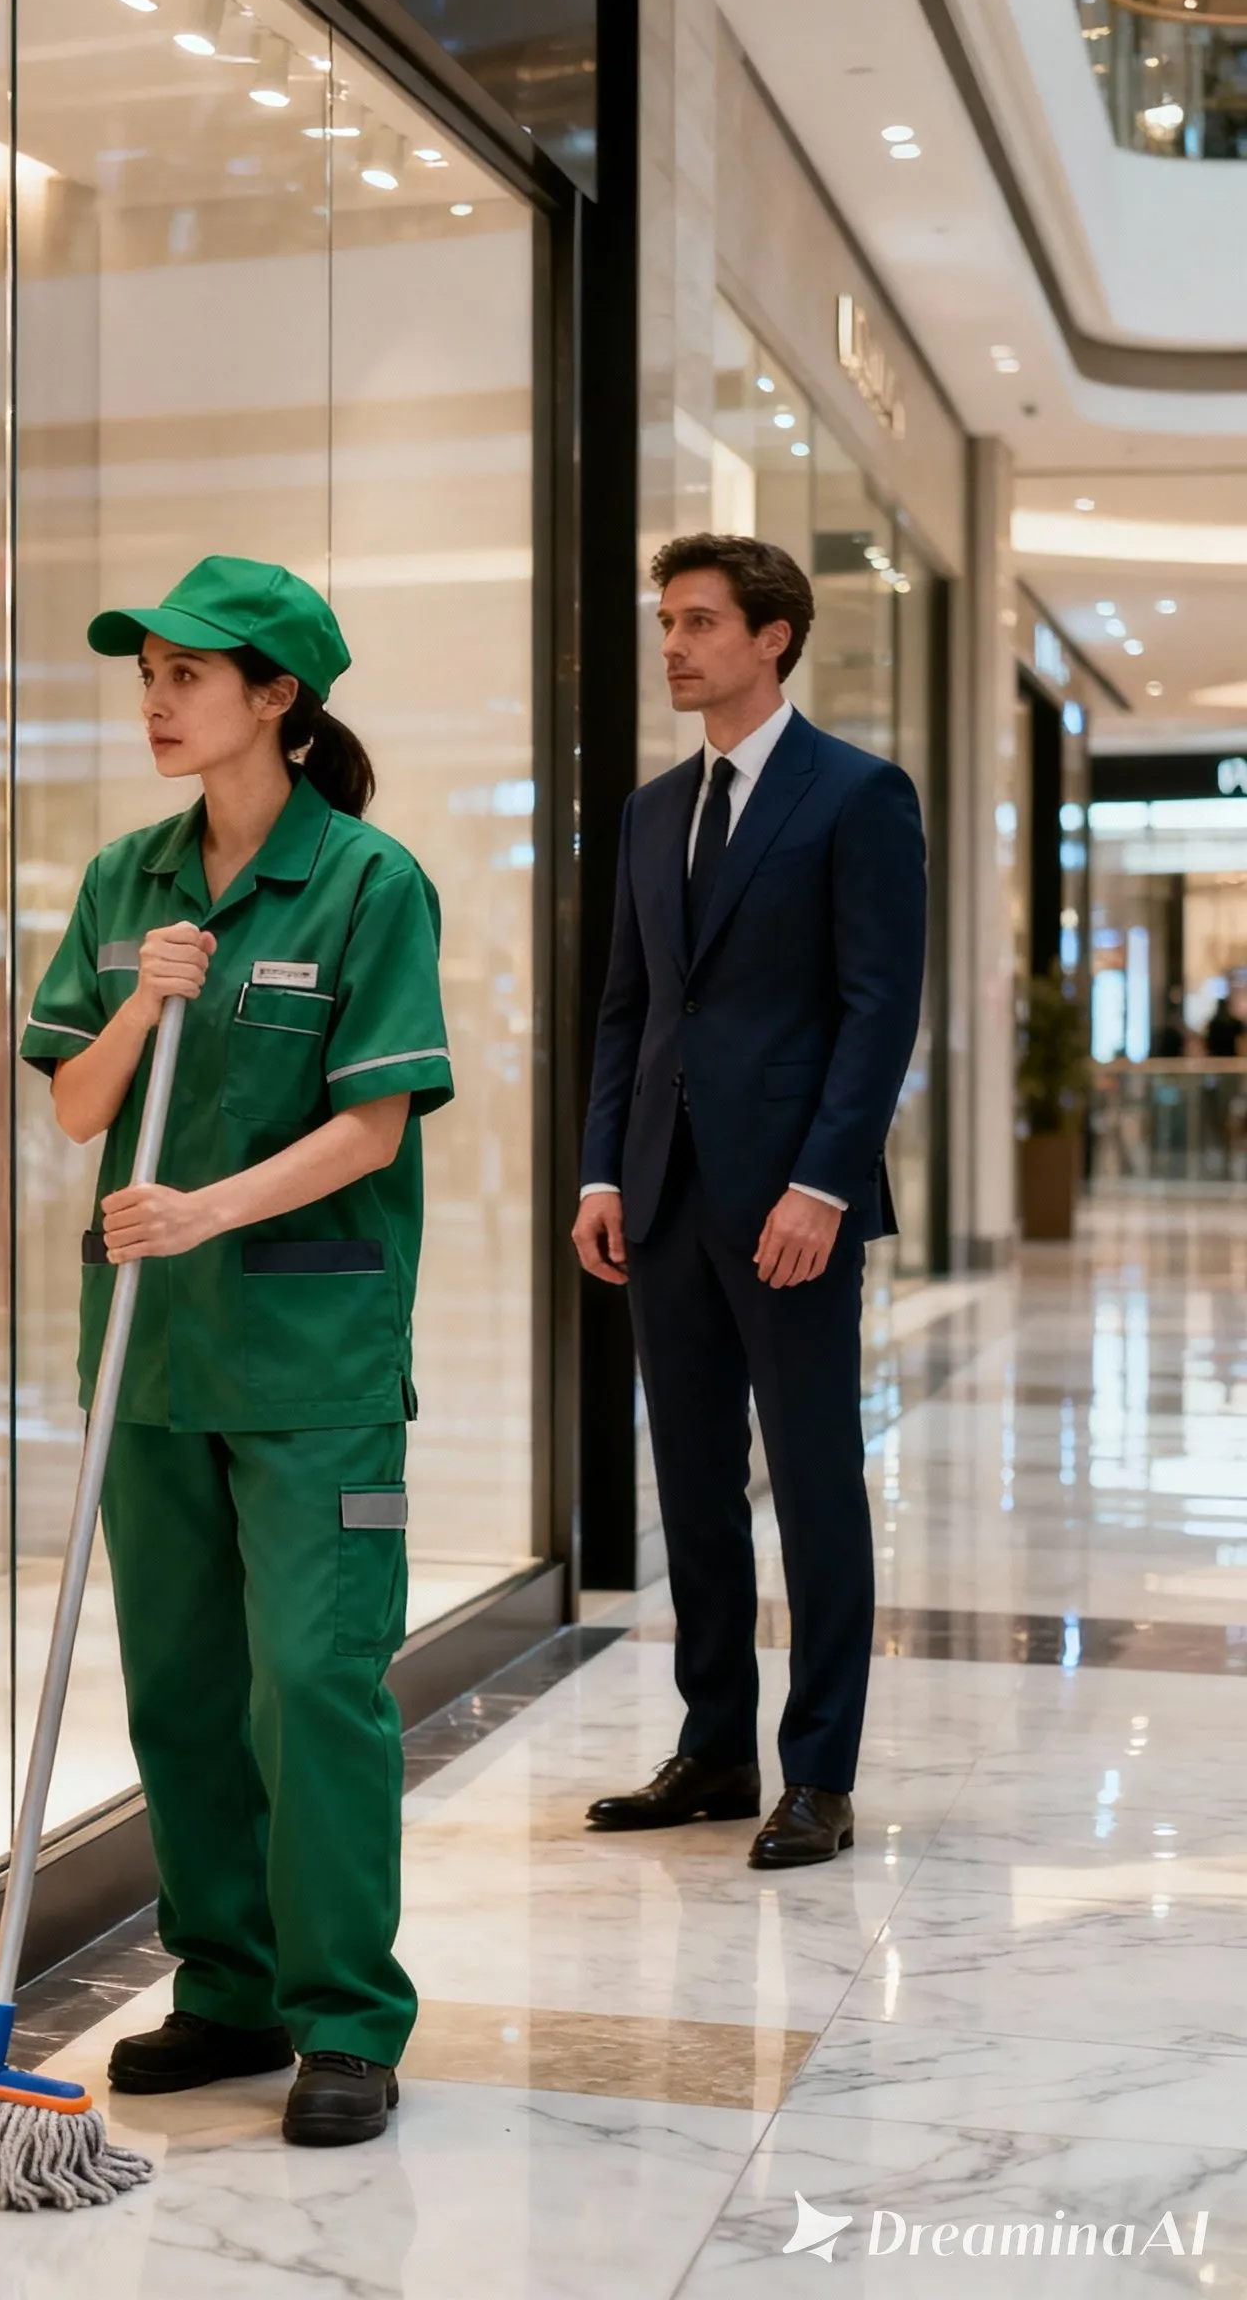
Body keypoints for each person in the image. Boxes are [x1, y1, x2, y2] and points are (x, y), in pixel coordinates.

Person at [20, 556, 452, 2145]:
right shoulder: (125, 880)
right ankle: (227, 1989)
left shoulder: (368, 882)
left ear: (278, 698)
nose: (156, 702)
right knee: (185, 1687)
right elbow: (78, 1106)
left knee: (314, 1681)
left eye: (187, 677)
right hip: (152, 1358)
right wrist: (142, 1006)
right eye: (147, 676)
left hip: (312, 1356)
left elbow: (373, 1124)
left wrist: (203, 1211)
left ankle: (346, 2018)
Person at [572, 533, 925, 1869]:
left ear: (773, 637)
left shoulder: (858, 795)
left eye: (700, 622)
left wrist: (824, 1183)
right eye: (667, 621)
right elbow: (628, 1010)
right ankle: (715, 1746)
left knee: (816, 1480)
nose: (673, 645)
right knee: (693, 1482)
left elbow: (879, 1009)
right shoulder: (653, 809)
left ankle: (820, 1770)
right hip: (661, 1195)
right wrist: (602, 1170)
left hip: (792, 1203)